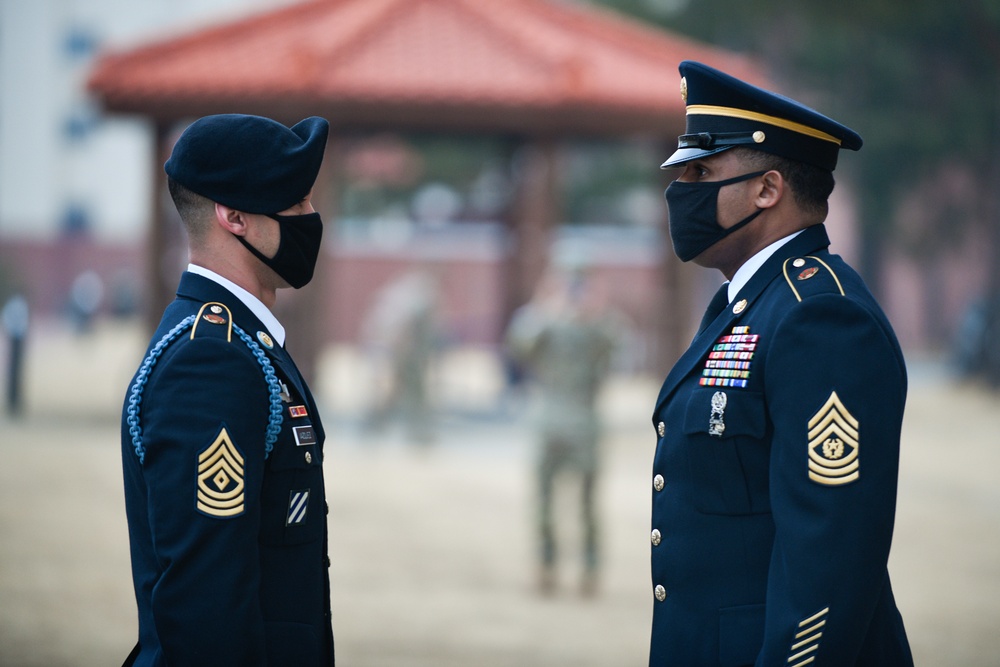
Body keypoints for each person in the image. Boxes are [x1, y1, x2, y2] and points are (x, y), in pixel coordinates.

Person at [648, 61, 912, 666]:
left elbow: (830, 553)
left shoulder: (820, 318)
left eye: (702, 171)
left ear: (768, 189)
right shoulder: (750, 305)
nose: (680, 189)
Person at [120, 114, 334, 666]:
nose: (312, 220)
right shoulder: (211, 359)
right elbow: (205, 610)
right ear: (234, 217)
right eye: (296, 203)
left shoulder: (244, 342)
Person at [506, 264, 618, 596]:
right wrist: (545, 309)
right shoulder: (541, 318)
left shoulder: (601, 322)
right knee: (543, 500)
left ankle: (590, 568)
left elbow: (617, 350)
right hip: (549, 416)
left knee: (587, 502)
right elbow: (519, 347)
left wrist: (596, 313)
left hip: (585, 418)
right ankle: (545, 565)